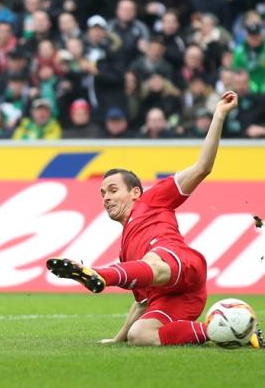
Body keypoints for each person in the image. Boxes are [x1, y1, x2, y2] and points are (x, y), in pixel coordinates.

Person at [47, 91, 263, 349]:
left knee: (153, 261)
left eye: (113, 190)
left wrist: (218, 115)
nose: (106, 197)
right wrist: (119, 338)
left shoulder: (153, 199)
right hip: (180, 300)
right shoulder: (126, 250)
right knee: (140, 335)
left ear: (135, 192)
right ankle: (229, 331)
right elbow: (142, 302)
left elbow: (203, 167)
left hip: (182, 264)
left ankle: (98, 273)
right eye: (102, 193)